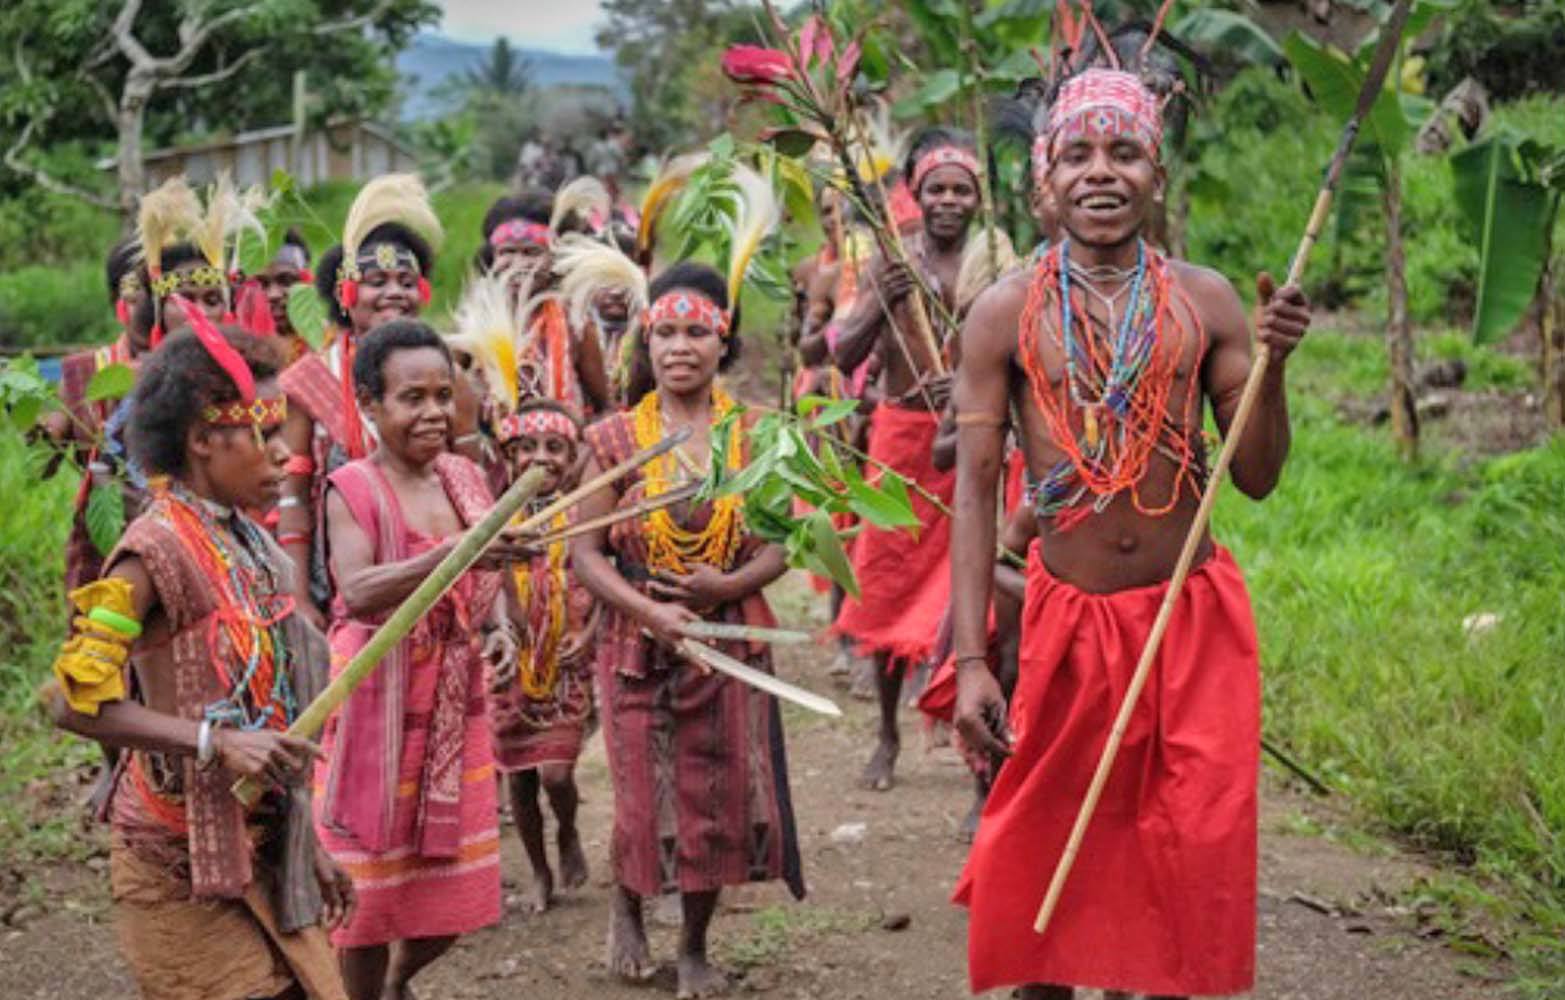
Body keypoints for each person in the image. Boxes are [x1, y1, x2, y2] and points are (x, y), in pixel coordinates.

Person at [948, 66, 1312, 999]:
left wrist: (1270, 367)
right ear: (1043, 179)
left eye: (1124, 152)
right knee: (1048, 856)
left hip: (1187, 622)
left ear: (1158, 173)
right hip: (1069, 624)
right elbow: (977, 495)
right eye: (1077, 153)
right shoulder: (1002, 314)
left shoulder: (1209, 302)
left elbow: (1257, 476)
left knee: (1187, 843)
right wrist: (973, 663)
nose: (1099, 172)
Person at [49, 310, 352, 1000]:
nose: (286, 455)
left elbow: (266, 705)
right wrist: (215, 741)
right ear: (200, 439)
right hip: (173, 861)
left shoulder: (252, 543)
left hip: (259, 845)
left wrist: (311, 846)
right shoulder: (151, 554)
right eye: (266, 433)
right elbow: (74, 701)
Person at [572, 263, 804, 999]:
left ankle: (696, 944)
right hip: (638, 641)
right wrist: (649, 611)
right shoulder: (612, 438)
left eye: (696, 332)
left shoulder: (759, 433)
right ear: (647, 338)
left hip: (724, 641)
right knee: (645, 796)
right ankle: (627, 903)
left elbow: (784, 538)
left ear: (721, 339)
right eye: (666, 331)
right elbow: (583, 552)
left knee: (716, 796)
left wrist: (726, 587)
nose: (680, 347)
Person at [310, 320, 522, 1000]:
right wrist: (457, 553)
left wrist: (500, 629)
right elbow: (359, 588)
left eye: (442, 395)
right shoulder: (352, 486)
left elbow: (491, 584)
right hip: (378, 702)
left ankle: (401, 982)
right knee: (366, 900)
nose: (432, 412)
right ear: (370, 404)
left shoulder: (464, 475)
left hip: (457, 706)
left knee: (450, 895)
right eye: (412, 398)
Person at [830, 126, 981, 790]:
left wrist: (970, 385)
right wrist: (885, 300)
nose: (948, 200)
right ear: (915, 194)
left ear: (977, 200)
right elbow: (842, 354)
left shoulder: (990, 266)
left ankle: (979, 759)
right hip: (900, 441)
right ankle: (887, 736)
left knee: (976, 599)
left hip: (970, 442)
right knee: (888, 589)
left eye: (961, 189)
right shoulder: (890, 261)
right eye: (936, 188)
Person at [277, 174, 442, 627]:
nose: (394, 292)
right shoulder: (311, 380)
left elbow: (467, 481)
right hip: (340, 583)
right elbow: (291, 494)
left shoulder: (449, 374)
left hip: (436, 572)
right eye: (376, 281)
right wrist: (299, 597)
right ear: (346, 294)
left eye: (406, 281)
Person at [486, 399, 598, 915]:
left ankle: (569, 829)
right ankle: (538, 870)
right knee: (520, 778)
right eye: (527, 447)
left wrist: (590, 633)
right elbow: (482, 588)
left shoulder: (590, 512)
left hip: (566, 663)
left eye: (554, 447)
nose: (541, 458)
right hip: (510, 664)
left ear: (572, 457)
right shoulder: (492, 517)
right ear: (508, 457)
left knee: (556, 774)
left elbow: (605, 580)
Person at [477, 191, 612, 415]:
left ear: (555, 260)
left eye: (531, 252)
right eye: (507, 252)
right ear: (492, 259)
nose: (518, 264)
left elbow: (604, 407)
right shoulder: (474, 322)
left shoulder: (575, 324)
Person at [237, 229, 316, 366]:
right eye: (261, 284)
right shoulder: (236, 353)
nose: (274, 295)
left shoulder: (332, 350)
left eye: (286, 281)